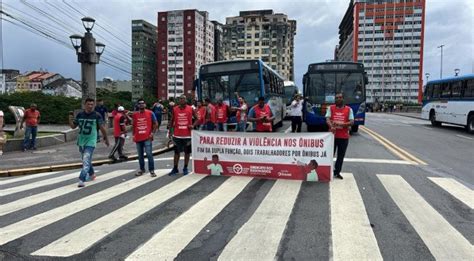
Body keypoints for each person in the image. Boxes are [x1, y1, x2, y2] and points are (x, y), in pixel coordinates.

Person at [69, 98, 110, 187]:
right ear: (85, 105)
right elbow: (73, 126)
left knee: (86, 159)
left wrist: (106, 138)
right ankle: (92, 174)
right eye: (88, 104)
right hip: (81, 140)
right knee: (86, 159)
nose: (90, 106)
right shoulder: (80, 114)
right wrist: (70, 119)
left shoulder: (96, 115)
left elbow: (102, 128)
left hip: (91, 140)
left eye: (92, 104)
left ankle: (82, 179)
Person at [326, 92, 354, 180]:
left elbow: (352, 122)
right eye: (337, 98)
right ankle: (327, 171)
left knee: (340, 156)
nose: (338, 99)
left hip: (344, 137)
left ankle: (337, 172)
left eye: (340, 97)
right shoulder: (331, 108)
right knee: (330, 155)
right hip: (332, 136)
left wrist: (341, 124)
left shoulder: (349, 109)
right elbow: (327, 119)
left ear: (343, 99)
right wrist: (331, 126)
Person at [169, 95, 198, 176]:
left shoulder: (190, 108)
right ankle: (175, 168)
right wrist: (170, 132)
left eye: (184, 99)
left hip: (187, 135)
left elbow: (197, 118)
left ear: (186, 100)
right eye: (181, 99)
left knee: (187, 152)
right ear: (179, 100)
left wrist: (193, 125)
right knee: (176, 152)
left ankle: (185, 168)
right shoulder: (175, 109)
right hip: (177, 135)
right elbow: (172, 120)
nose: (182, 100)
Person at [132, 98, 158, 177]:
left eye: (143, 103)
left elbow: (156, 124)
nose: (141, 104)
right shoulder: (135, 114)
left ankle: (152, 170)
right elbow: (134, 125)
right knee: (140, 155)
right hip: (138, 137)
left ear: (145, 104)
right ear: (138, 105)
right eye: (140, 103)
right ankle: (142, 169)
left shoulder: (150, 113)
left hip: (147, 137)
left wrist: (152, 133)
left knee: (149, 154)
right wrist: (133, 135)